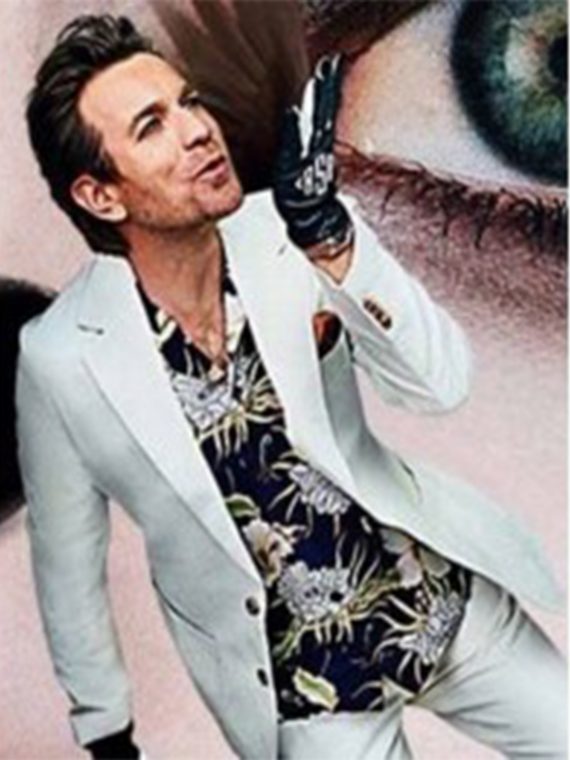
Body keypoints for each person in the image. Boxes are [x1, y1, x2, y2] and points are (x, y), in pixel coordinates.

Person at [18, 14, 565, 760]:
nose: (197, 132)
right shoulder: (62, 357)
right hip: (310, 694)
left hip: (442, 609)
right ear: (101, 196)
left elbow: (439, 383)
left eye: (189, 103)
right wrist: (106, 729)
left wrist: (332, 243)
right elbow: (67, 560)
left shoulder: (293, 229)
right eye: (152, 127)